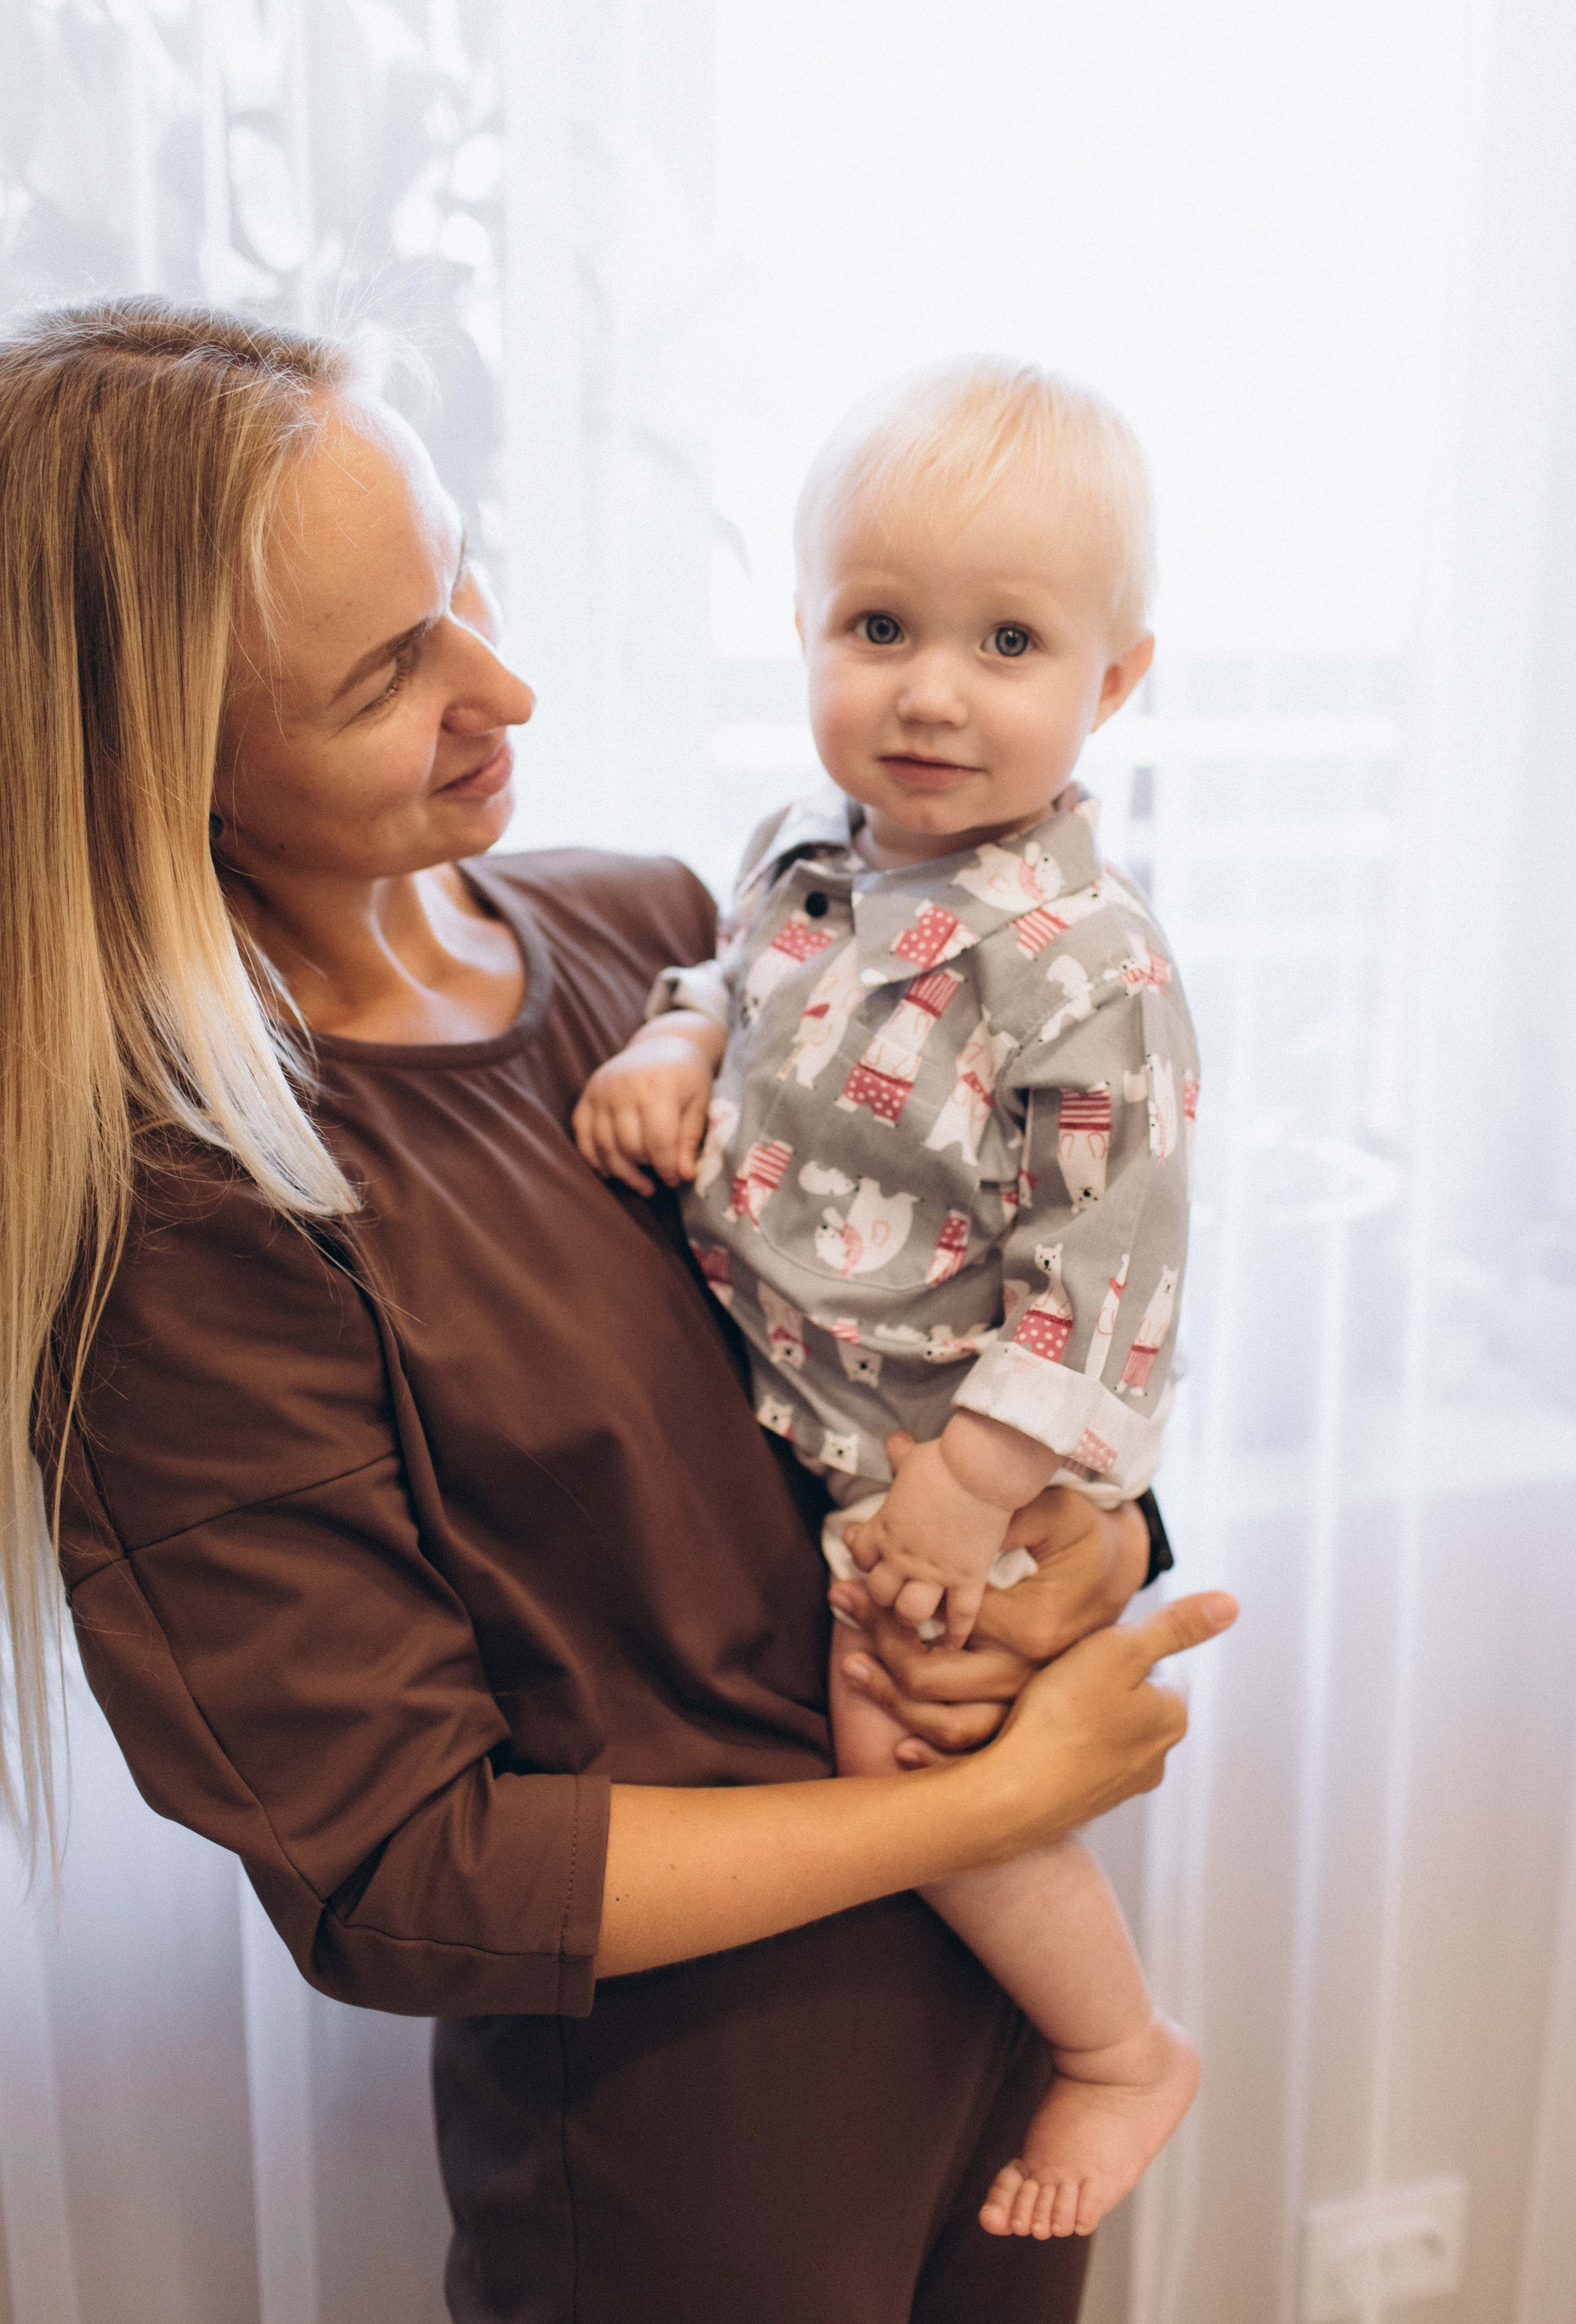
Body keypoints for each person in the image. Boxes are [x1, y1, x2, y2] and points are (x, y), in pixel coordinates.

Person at [1, 299, 1236, 2324]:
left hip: (1004, 2017)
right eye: (388, 671)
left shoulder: (668, 935)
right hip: (707, 2146)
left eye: (460, 578)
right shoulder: (189, 1218)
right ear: (163, 771)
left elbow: (934, 1326)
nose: (505, 685)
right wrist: (994, 1800)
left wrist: (1089, 1552)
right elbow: (406, 1876)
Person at [574, 360, 1200, 2242]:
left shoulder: (1085, 967)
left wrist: (974, 1487)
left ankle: (1121, 2047)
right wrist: (676, 1041)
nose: (931, 690)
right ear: (804, 632)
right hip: (815, 1403)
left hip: (945, 1455)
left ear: (1113, 681)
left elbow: (1107, 1275)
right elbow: (735, 978)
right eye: (880, 627)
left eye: (1008, 642)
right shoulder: (801, 851)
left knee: (902, 1747)